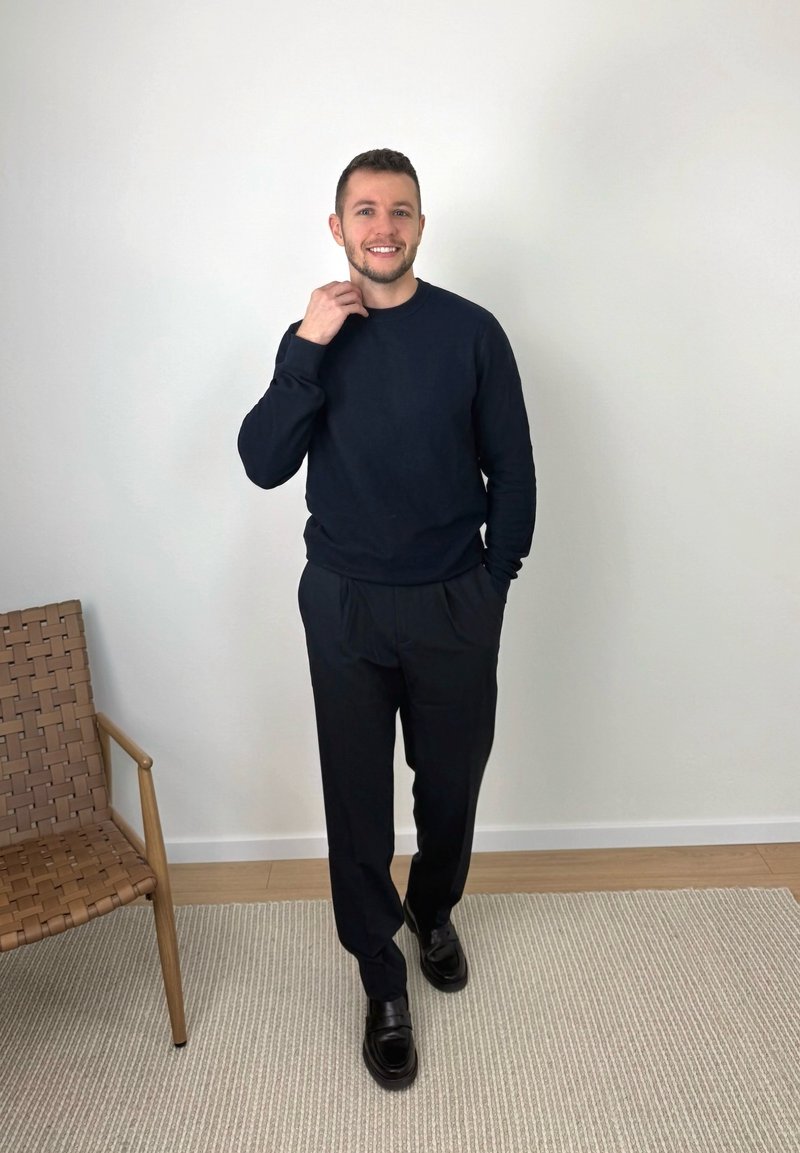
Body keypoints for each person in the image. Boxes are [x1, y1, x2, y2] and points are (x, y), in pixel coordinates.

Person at [238, 149, 536, 1091]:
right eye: (364, 210)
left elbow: (515, 470)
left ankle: (434, 907)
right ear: (337, 228)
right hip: (346, 603)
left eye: (400, 209)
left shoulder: (473, 332)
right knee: (356, 798)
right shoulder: (314, 337)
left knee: (449, 786)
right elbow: (260, 461)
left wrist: (494, 583)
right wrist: (307, 345)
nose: (383, 226)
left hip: (454, 597)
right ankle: (381, 974)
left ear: (420, 223)